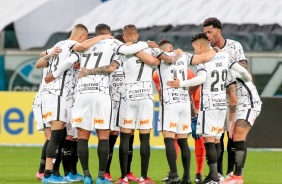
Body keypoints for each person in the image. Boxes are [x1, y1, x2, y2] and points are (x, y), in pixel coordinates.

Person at [71, 23, 157, 184]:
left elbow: (74, 53)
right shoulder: (114, 43)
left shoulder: (86, 44)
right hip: (102, 92)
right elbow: (125, 55)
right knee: (104, 135)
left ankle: (87, 176)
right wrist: (148, 44)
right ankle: (102, 176)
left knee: (82, 136)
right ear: (110, 34)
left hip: (82, 92)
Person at [166, 33, 252, 184]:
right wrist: (247, 81)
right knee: (217, 140)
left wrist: (181, 84)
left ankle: (213, 177)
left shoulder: (203, 61)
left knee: (209, 141)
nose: (195, 51)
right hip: (221, 103)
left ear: (199, 45)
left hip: (209, 103)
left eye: (194, 47)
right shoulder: (224, 56)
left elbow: (201, 79)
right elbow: (243, 71)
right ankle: (217, 176)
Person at [115, 24, 184, 184]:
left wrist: (134, 49)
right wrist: (178, 53)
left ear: (124, 37)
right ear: (137, 35)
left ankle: (123, 177)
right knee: (144, 139)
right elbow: (160, 60)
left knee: (125, 138)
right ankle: (144, 178)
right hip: (145, 97)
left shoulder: (121, 49)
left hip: (128, 97)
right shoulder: (149, 49)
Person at [202, 17, 262, 184]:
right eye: (205, 32)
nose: (207, 35)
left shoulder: (234, 46)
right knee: (218, 135)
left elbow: (243, 68)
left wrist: (226, 61)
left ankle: (233, 174)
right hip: (222, 98)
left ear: (219, 31)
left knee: (235, 135)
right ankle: (219, 174)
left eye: (210, 31)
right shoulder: (207, 52)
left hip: (242, 97)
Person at [155, 38, 218, 184]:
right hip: (184, 102)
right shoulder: (185, 56)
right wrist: (215, 49)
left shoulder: (159, 58)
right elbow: (204, 57)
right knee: (183, 140)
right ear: (171, 46)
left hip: (170, 102)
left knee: (169, 138)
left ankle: (174, 175)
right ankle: (187, 177)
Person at [36, 23, 89, 184]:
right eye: (85, 39)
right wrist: (55, 74)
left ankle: (54, 173)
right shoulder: (74, 47)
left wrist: (48, 55)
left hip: (53, 94)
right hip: (58, 94)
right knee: (56, 135)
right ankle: (47, 174)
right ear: (80, 37)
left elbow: (39, 61)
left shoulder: (58, 46)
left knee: (59, 135)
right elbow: (69, 61)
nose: (84, 43)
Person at [105, 34, 139, 182]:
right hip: (112, 104)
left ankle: (127, 172)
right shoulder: (112, 62)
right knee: (111, 138)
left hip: (127, 103)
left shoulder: (130, 62)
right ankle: (106, 171)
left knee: (129, 138)